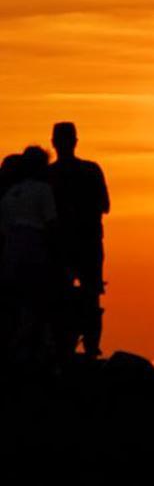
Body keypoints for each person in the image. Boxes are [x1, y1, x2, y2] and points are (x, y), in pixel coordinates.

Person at [48, 122, 110, 357]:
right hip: (83, 243)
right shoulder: (91, 170)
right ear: (75, 141)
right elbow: (105, 205)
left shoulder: (49, 175)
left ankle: (72, 346)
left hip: (66, 245)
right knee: (89, 296)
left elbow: (104, 205)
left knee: (66, 295)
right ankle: (89, 346)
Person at [0, 146, 58, 366]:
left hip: (12, 251)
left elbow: (4, 230)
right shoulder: (43, 190)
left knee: (15, 304)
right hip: (34, 248)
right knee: (37, 303)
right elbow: (51, 224)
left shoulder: (8, 195)